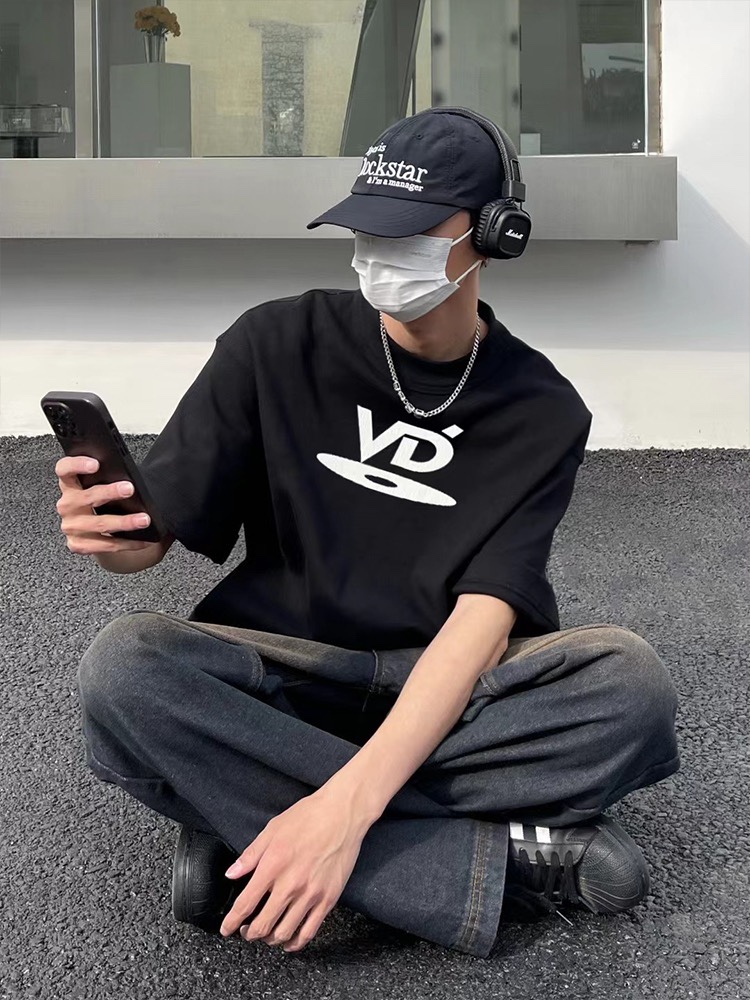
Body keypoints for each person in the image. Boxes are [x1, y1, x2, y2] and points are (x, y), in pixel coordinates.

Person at [56, 107, 680, 959]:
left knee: (629, 688)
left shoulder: (542, 409)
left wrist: (344, 810)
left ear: (495, 234)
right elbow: (147, 543)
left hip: (447, 684)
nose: (381, 252)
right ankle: (492, 864)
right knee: (124, 669)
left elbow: (482, 623)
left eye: (412, 232)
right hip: (285, 672)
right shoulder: (275, 342)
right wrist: (111, 536)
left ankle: (251, 822)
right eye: (369, 230)